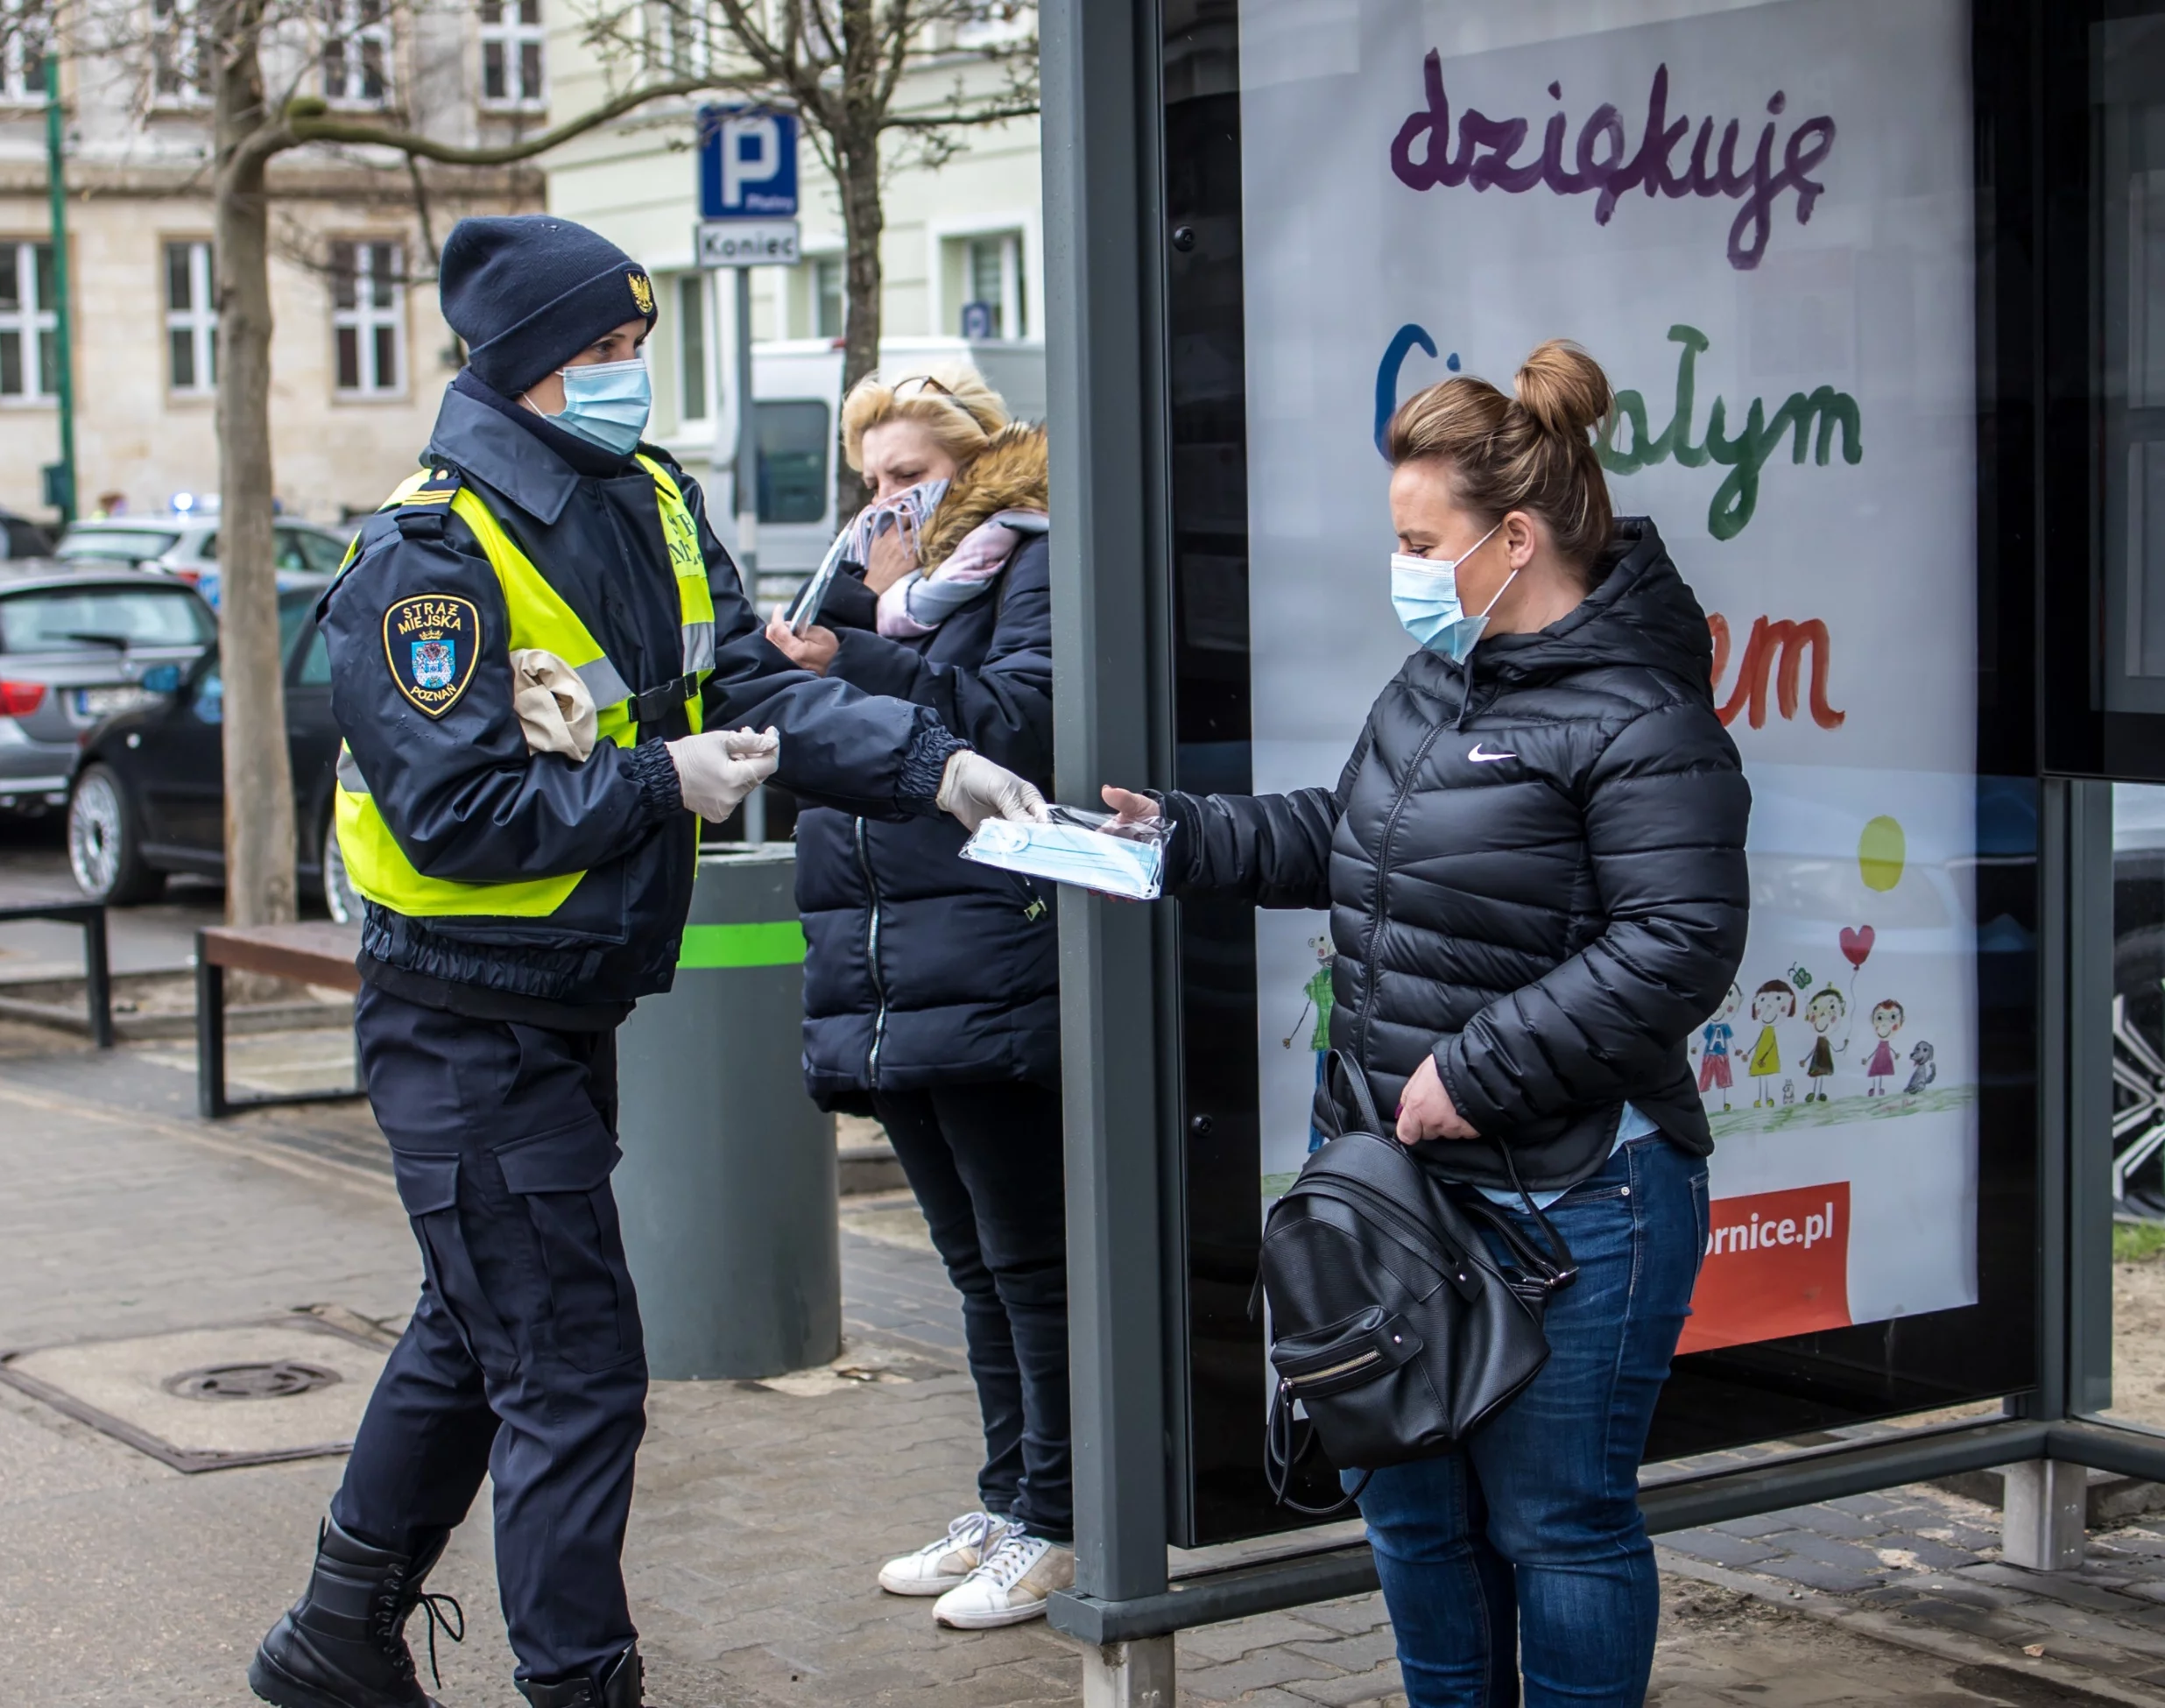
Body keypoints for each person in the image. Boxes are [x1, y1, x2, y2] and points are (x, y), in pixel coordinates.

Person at [245, 215, 1045, 1708]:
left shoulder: (654, 500)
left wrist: (932, 763)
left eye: (636, 350)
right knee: (573, 1371)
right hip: (459, 1013)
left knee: (477, 1329)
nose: (629, 380)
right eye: (602, 355)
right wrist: (654, 785)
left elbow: (752, 681)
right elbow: (457, 806)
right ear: (528, 367)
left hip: (562, 1002)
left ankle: (333, 1639)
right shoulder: (429, 557)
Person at [1102, 342, 1750, 1708]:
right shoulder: (1440, 685)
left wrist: (1478, 1064)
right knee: (1411, 1517)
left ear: (1515, 537)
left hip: (1577, 1194)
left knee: (1557, 1526)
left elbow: (1678, 941)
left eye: (1419, 539)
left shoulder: (1640, 709)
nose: (1401, 568)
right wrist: (1184, 837)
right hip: (1403, 1192)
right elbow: (1357, 838)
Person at [762, 366, 1070, 1629]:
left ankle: (1060, 1513)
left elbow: (1026, 719)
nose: (887, 499)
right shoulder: (862, 585)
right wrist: (847, 635)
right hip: (885, 963)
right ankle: (1006, 1496)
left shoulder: (1026, 559)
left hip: (986, 952)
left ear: (973, 462)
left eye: (911, 474)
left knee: (1031, 1259)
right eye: (873, 478)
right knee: (969, 1263)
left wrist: (877, 644)